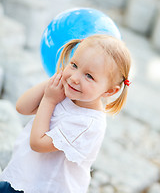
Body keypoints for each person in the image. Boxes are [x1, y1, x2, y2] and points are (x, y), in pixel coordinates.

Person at [0, 34, 131, 193]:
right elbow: (22, 107)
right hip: (24, 178)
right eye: (74, 65)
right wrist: (54, 81)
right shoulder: (68, 94)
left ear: (110, 91)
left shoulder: (87, 124)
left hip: (42, 187)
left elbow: (37, 144)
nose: (75, 78)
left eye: (89, 76)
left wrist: (49, 100)